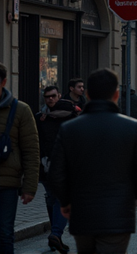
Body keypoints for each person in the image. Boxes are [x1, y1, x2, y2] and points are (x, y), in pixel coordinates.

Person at [48, 69, 137, 254]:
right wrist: (127, 196)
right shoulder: (132, 128)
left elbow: (56, 173)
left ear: (88, 94)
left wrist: (66, 201)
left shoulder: (69, 129)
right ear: (116, 95)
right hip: (117, 215)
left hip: (82, 213)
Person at [34, 86, 79, 254]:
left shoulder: (71, 114)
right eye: (47, 97)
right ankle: (56, 234)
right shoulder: (40, 117)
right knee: (56, 198)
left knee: (57, 198)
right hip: (46, 165)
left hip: (64, 164)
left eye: (53, 96)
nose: (50, 99)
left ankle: (55, 235)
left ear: (59, 96)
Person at [0, 63, 39, 254]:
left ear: (3, 82)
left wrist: (29, 187)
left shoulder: (20, 110)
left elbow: (31, 150)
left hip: (7, 185)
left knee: (4, 234)